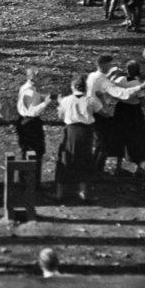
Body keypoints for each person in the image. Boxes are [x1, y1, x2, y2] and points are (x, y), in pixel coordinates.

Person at [55, 74, 102, 203]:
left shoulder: (66, 100)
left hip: (70, 131)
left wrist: (60, 104)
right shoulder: (91, 100)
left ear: (72, 87)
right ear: (85, 87)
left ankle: (60, 194)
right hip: (85, 132)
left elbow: (60, 116)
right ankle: (83, 192)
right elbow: (102, 111)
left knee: (66, 158)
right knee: (84, 158)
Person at [112, 62, 145, 177]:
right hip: (133, 111)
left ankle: (118, 166)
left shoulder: (119, 80)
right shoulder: (138, 84)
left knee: (121, 136)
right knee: (137, 138)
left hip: (120, 109)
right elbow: (144, 103)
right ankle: (138, 167)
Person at [16, 69, 53, 182]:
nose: (42, 79)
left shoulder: (26, 88)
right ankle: (34, 182)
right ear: (33, 78)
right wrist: (45, 103)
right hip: (31, 123)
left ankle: (23, 179)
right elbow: (32, 111)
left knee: (26, 150)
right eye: (40, 77)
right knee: (37, 152)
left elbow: (32, 99)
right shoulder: (30, 92)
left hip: (24, 121)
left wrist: (42, 97)